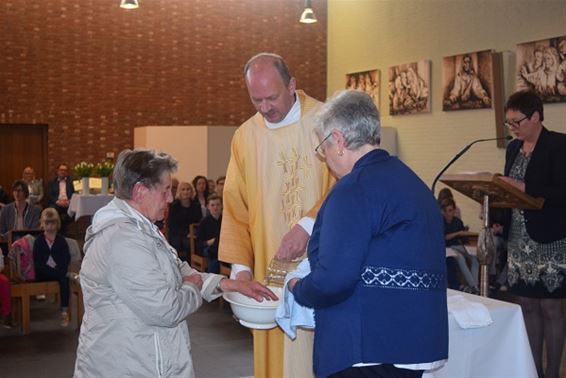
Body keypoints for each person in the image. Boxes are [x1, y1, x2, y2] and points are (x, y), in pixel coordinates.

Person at [73, 148, 276, 378]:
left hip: (144, 358)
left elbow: (178, 269)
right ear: (140, 191)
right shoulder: (123, 240)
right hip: (127, 365)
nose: (170, 198)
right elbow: (166, 309)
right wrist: (191, 286)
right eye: (166, 190)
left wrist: (227, 284)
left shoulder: (141, 227)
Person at [288, 90, 448, 378]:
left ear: (338, 140)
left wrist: (298, 287)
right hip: (414, 341)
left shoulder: (354, 187)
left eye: (323, 147)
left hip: (367, 345)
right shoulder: (413, 182)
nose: (325, 158)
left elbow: (334, 278)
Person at [219, 52, 334, 378]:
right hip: (269, 268)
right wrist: (241, 269)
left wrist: (308, 226)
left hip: (319, 263)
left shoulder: (326, 124)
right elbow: (235, 204)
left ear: (292, 85)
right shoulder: (245, 136)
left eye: (272, 98)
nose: (265, 108)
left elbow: (347, 185)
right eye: (257, 100)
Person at [499, 90, 566, 378]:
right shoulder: (514, 149)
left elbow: (562, 192)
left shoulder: (559, 145)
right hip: (519, 240)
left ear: (536, 116)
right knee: (527, 305)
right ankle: (533, 370)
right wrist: (498, 218)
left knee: (551, 307)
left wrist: (526, 188)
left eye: (516, 122)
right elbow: (509, 191)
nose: (512, 128)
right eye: (509, 123)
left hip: (550, 239)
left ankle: (553, 373)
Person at [32, 208, 71, 327]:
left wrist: (61, 270)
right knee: (64, 275)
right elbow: (38, 264)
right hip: (42, 273)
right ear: (42, 224)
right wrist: (61, 272)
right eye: (47, 223)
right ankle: (66, 275)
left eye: (52, 222)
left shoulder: (61, 240)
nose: (50, 226)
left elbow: (66, 258)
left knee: (64, 280)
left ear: (57, 223)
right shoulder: (38, 241)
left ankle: (64, 311)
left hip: (59, 271)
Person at [440, 198, 479, 294]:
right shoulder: (441, 222)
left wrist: (466, 241)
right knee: (460, 258)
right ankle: (473, 285)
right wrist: (458, 233)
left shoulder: (458, 222)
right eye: (446, 211)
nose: (448, 213)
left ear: (454, 210)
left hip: (458, 246)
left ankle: (475, 285)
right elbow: (445, 238)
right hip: (448, 248)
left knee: (475, 257)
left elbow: (463, 239)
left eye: (450, 210)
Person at [167, 181, 202, 260]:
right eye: (183, 189)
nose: (186, 192)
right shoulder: (174, 206)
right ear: (179, 192)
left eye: (188, 189)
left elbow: (199, 222)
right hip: (177, 233)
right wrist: (186, 233)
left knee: (193, 243)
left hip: (192, 233)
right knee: (182, 243)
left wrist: (192, 232)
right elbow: (171, 224)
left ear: (192, 191)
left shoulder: (196, 205)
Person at [197, 194, 223, 274]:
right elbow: (199, 243)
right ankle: (212, 277)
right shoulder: (204, 222)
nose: (215, 207)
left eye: (218, 205)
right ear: (208, 206)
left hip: (223, 247)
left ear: (222, 206)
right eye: (212, 205)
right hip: (208, 248)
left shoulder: (225, 220)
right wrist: (208, 242)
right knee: (214, 256)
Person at [47, 163, 75, 234]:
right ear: (57, 171)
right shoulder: (52, 182)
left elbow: (75, 193)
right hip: (56, 204)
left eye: (65, 170)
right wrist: (58, 201)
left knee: (74, 212)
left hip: (68, 204)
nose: (63, 171)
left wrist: (69, 202)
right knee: (53, 212)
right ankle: (62, 231)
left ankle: (61, 230)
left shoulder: (71, 182)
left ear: (67, 172)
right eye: (61, 170)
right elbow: (50, 195)